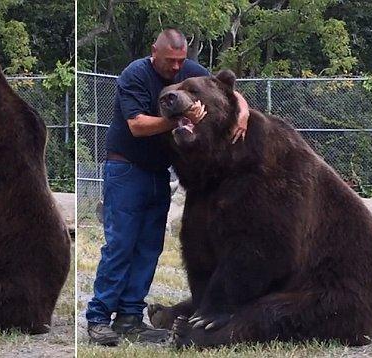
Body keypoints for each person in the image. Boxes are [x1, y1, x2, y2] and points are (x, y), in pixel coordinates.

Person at [86, 29, 250, 346]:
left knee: (149, 247)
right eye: (170, 61)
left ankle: (130, 318)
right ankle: (97, 318)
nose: (176, 68)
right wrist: (180, 118)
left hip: (158, 172)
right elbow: (137, 126)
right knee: (120, 245)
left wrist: (242, 112)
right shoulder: (135, 74)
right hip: (126, 168)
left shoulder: (187, 70)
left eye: (180, 61)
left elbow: (226, 88)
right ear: (154, 52)